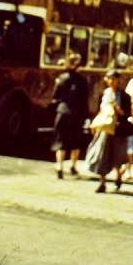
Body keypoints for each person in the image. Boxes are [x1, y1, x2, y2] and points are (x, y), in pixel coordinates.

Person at [90, 70, 132, 194]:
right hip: (104, 129)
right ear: (106, 80)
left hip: (118, 130)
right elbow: (99, 111)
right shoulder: (104, 94)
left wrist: (118, 110)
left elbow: (127, 114)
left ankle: (118, 176)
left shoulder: (124, 96)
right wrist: (95, 125)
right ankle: (102, 183)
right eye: (110, 79)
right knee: (102, 156)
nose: (113, 82)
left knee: (118, 156)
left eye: (115, 79)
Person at [51, 51, 89, 179]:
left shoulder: (61, 78)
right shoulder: (83, 81)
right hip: (77, 114)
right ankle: (73, 167)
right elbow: (85, 100)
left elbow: (55, 97)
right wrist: (86, 116)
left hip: (62, 112)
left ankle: (60, 167)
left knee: (60, 141)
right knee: (76, 142)